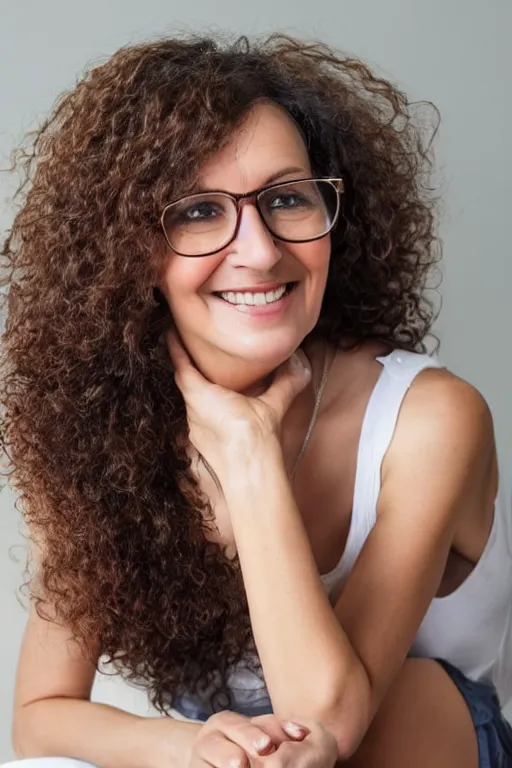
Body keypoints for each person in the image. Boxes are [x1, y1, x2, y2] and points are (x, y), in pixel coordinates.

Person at [1, 32, 511, 768]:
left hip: (418, 740)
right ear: (129, 250)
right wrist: (197, 744)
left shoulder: (431, 420)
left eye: (285, 199)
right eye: (200, 212)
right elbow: (40, 719)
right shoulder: (98, 442)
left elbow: (329, 722)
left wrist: (249, 460)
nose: (261, 250)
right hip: (235, 758)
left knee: (399, 692)